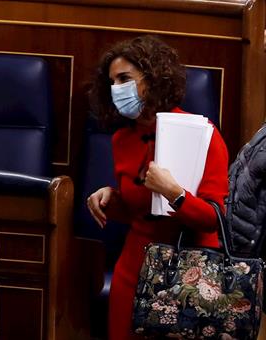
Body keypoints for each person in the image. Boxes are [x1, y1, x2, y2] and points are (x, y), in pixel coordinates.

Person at [86, 35, 229, 340]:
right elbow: (139, 211)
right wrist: (111, 199)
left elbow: (213, 218)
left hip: (190, 271)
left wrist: (174, 193)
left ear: (153, 79)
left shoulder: (202, 133)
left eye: (124, 78)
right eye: (112, 82)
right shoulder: (121, 140)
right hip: (135, 265)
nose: (116, 90)